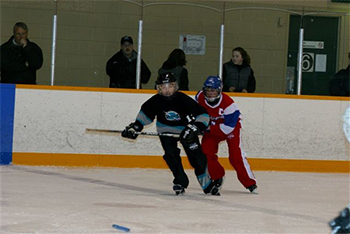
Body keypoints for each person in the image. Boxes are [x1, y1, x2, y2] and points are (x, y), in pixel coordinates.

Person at [121, 72, 219, 195]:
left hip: (186, 131)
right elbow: (145, 115)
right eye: (163, 87)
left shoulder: (183, 99)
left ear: (175, 86)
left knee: (197, 158)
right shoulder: (155, 101)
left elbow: (203, 115)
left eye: (170, 86)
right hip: (165, 130)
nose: (167, 90)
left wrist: (195, 127)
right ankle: (180, 180)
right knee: (171, 156)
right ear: (159, 88)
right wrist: (135, 127)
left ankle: (207, 183)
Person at [195, 75, 257, 194]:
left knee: (235, 156)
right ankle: (218, 176)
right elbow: (194, 112)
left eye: (213, 91)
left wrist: (207, 128)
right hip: (212, 127)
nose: (210, 94)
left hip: (231, 128)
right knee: (206, 151)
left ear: (219, 90)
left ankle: (250, 183)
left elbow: (227, 128)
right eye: (208, 90)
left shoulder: (229, 104)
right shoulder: (199, 97)